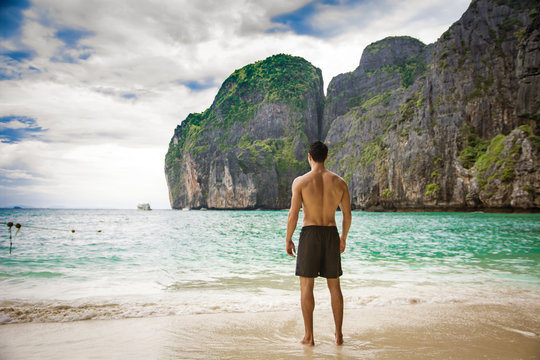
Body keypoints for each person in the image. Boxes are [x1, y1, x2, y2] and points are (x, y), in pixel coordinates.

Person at [285, 140, 352, 346]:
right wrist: (343, 238)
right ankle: (339, 335)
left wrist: (288, 239)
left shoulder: (301, 182)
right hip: (331, 233)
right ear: (327, 157)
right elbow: (347, 215)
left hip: (310, 233)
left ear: (309, 157)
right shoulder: (340, 182)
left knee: (306, 286)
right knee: (335, 287)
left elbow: (293, 215)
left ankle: (309, 337)